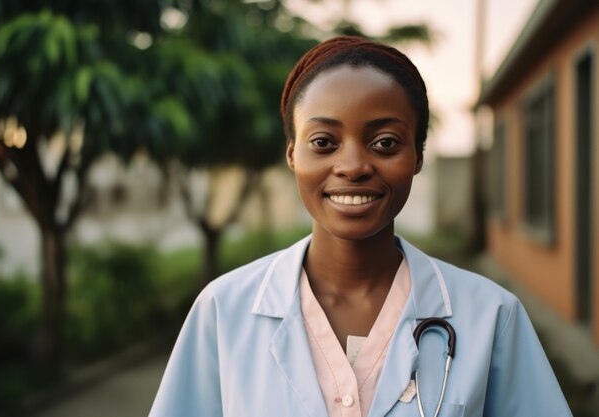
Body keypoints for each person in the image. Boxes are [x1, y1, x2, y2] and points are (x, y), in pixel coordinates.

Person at [149, 36, 572, 417]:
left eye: (385, 142)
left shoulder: (490, 316)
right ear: (293, 154)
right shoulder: (223, 312)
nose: (352, 166)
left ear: (418, 156)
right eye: (323, 143)